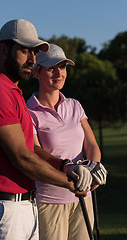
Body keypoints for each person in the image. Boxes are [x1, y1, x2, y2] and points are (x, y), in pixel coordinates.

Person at [0, 20, 92, 240]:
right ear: (4, 50)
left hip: (23, 207)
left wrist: (66, 166)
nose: (32, 59)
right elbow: (21, 157)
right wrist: (70, 183)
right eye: (25, 51)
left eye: (34, 52)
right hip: (3, 211)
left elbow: (31, 149)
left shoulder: (12, 91)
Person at [27, 43, 107, 240]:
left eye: (62, 67)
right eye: (51, 68)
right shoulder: (29, 110)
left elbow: (91, 145)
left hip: (82, 196)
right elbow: (35, 150)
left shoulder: (74, 105)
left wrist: (94, 166)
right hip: (49, 201)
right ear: (37, 72)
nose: (58, 73)